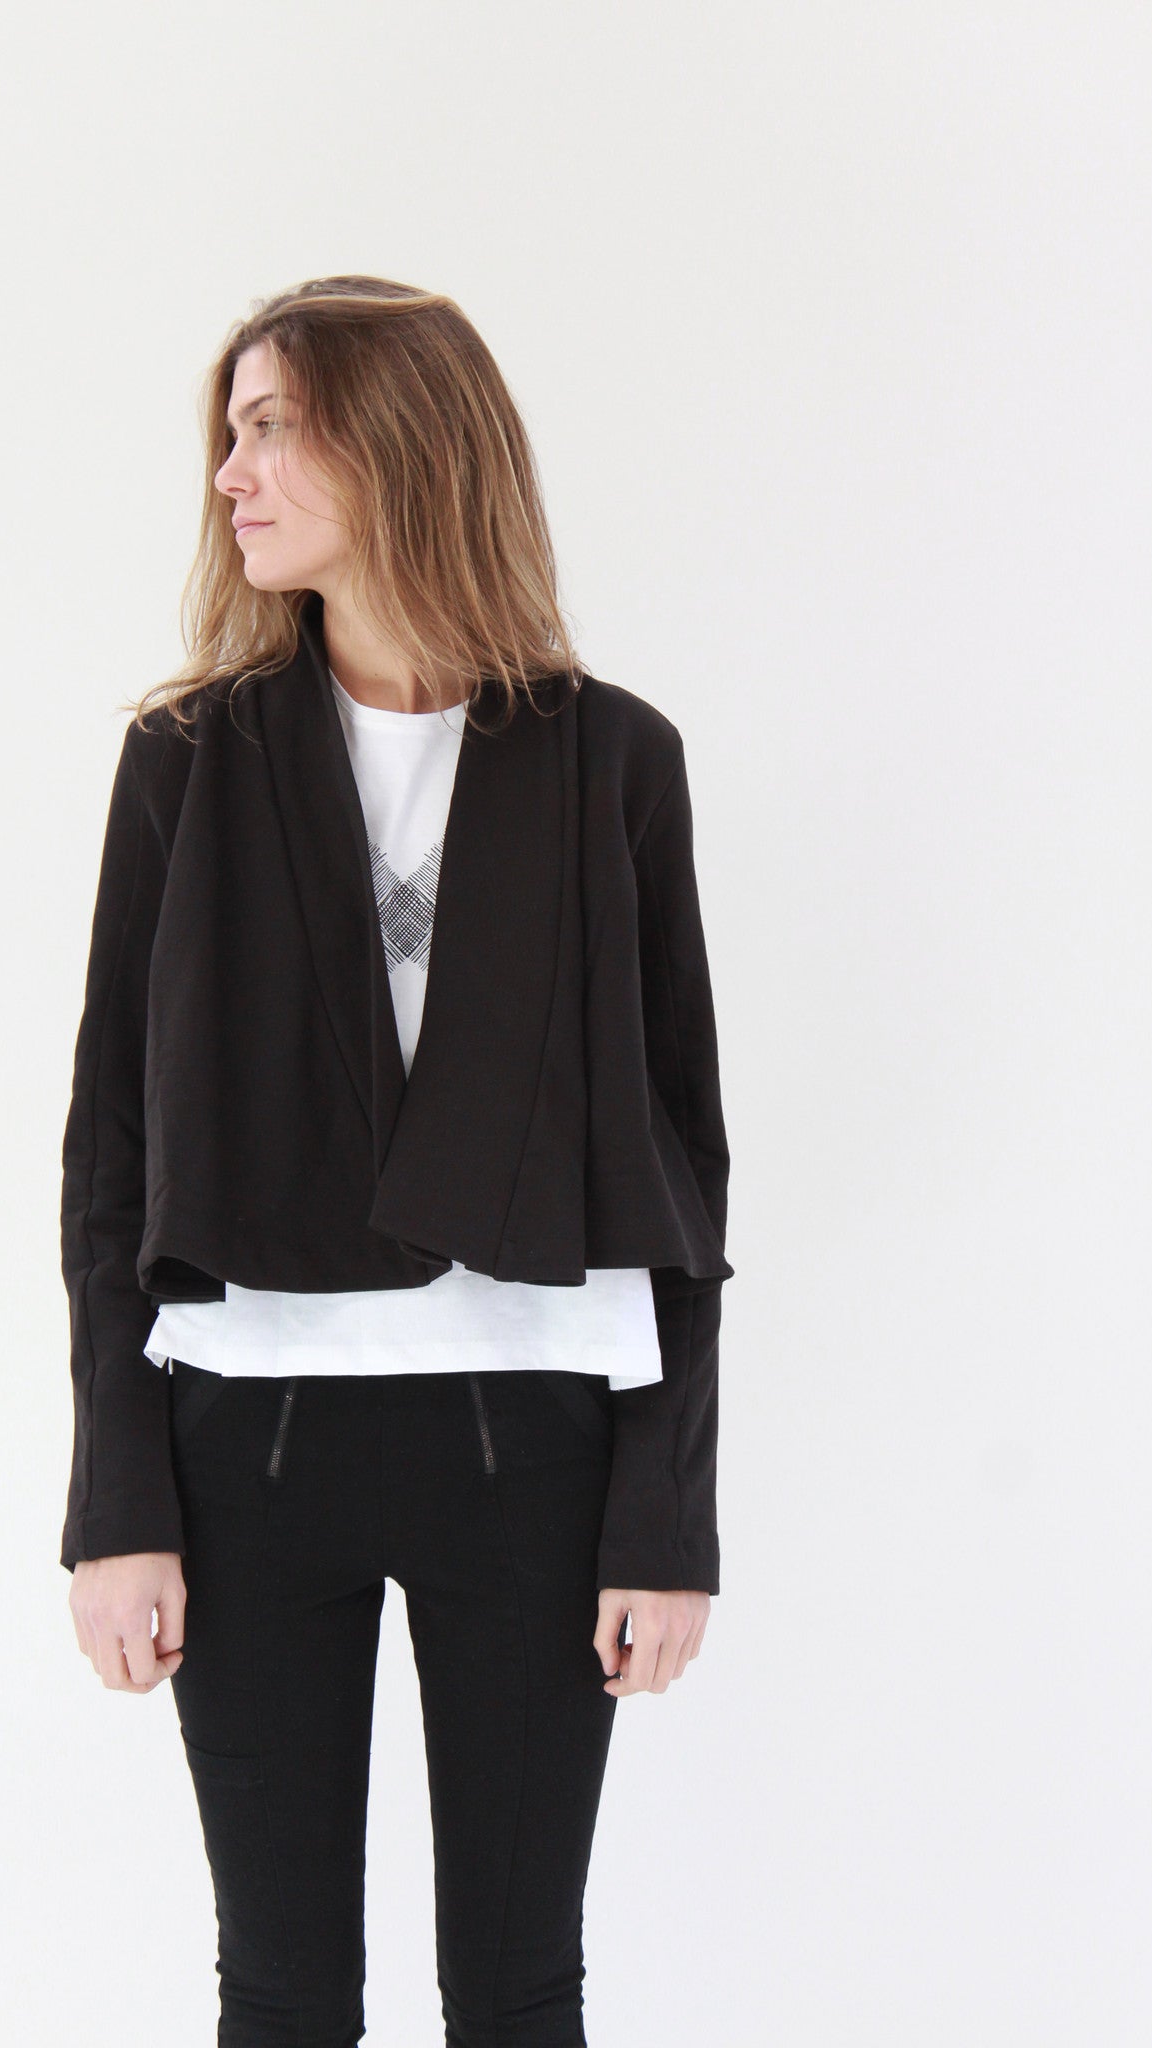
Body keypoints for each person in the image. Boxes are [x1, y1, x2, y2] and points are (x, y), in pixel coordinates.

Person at [61, 275, 734, 2048]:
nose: (230, 473)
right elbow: (110, 1158)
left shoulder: (610, 762)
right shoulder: (185, 764)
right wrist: (117, 1506)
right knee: (281, 1994)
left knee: (517, 1991)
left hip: (535, 1444)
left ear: (404, 446)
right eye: (228, 433)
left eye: (271, 426)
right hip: (248, 1444)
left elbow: (683, 1160)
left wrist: (666, 1512)